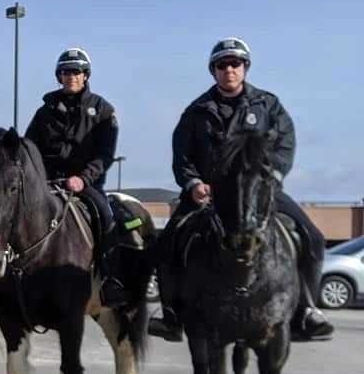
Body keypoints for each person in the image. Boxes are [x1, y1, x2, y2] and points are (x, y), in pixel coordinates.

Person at [148, 37, 333, 342]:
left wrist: (270, 178)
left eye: (235, 63)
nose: (229, 70)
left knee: (313, 238)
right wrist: (193, 183)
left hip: (259, 192)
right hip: (208, 194)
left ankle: (307, 310)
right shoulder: (196, 112)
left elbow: (284, 145)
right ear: (214, 71)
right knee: (167, 242)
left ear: (245, 67)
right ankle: (170, 315)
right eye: (222, 65)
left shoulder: (268, 105)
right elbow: (182, 156)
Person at [24, 48, 127, 307]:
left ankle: (110, 279)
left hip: (85, 185)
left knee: (107, 218)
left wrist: (83, 178)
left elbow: (105, 155)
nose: (71, 76)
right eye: (66, 72)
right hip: (47, 184)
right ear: (59, 76)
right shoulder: (44, 112)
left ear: (86, 75)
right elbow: (29, 148)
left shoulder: (103, 110)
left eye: (77, 71)